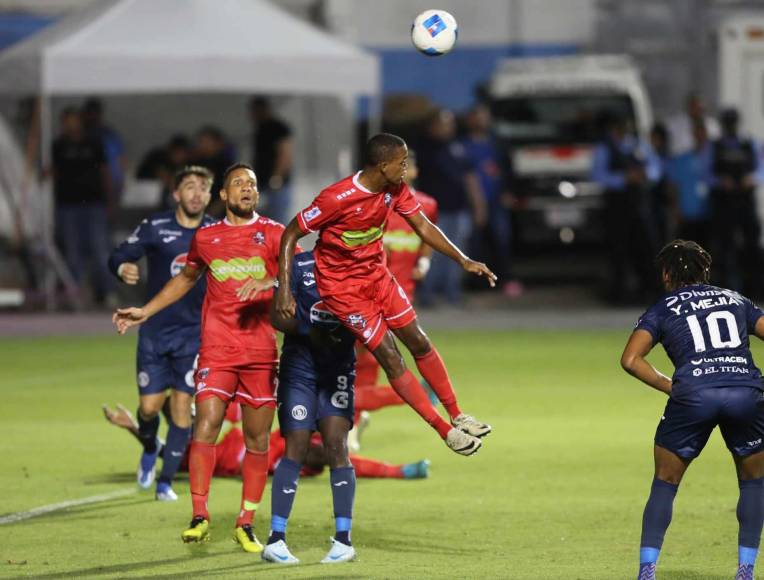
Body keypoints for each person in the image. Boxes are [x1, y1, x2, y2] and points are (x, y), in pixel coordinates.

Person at [276, 133, 494, 458]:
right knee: (391, 357)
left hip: (379, 278)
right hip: (345, 292)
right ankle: (445, 431)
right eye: (402, 162)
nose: (406, 169)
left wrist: (463, 259)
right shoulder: (336, 198)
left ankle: (457, 413)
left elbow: (423, 226)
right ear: (382, 164)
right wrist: (283, 288)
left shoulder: (395, 189)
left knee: (419, 340)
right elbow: (290, 234)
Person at [113, 163, 284, 554]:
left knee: (258, 438)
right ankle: (199, 515)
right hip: (216, 349)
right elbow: (186, 279)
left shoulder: (275, 234)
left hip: (259, 352)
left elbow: (302, 274)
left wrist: (272, 281)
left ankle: (246, 521)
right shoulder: (207, 237)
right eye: (238, 183)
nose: (246, 189)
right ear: (223, 195)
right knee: (205, 424)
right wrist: (146, 311)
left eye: (252, 184)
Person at [621, 240, 764, 580]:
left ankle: (647, 572)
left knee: (665, 483)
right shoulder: (735, 299)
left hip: (694, 394)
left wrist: (675, 386)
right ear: (706, 272)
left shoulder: (664, 306)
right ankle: (745, 571)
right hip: (745, 391)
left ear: (667, 273)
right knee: (754, 482)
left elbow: (630, 360)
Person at [107, 166, 214, 501]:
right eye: (190, 187)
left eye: (203, 188)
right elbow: (121, 253)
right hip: (155, 331)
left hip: (195, 334)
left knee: (182, 408)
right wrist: (121, 266)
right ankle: (151, 446)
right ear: (176, 194)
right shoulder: (156, 226)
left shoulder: (215, 231)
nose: (197, 193)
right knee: (150, 408)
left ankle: (165, 482)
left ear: (210, 196)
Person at [102, 403, 430, 482]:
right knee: (329, 455)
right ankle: (397, 470)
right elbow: (160, 451)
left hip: (278, 440)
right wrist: (132, 427)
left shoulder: (221, 431)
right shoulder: (195, 458)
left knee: (328, 440)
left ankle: (351, 433)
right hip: (284, 461)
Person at [353, 150, 439, 443]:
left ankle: (352, 418)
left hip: (401, 294)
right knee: (361, 355)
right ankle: (355, 417)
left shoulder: (426, 205)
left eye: (407, 165)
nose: (403, 170)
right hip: (367, 291)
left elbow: (428, 236)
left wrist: (424, 262)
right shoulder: (380, 203)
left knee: (374, 356)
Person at [416, 109, 487, 306]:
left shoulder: (458, 147)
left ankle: (452, 293)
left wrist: (478, 204)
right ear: (433, 126)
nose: (449, 128)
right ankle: (427, 295)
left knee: (459, 254)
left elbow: (470, 178)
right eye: (444, 124)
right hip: (434, 213)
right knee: (434, 254)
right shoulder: (424, 149)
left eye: (451, 124)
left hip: (459, 209)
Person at [591, 113, 661, 303]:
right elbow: (598, 176)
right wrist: (623, 179)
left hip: (640, 203)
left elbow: (656, 168)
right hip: (617, 205)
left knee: (646, 248)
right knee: (618, 250)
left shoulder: (639, 146)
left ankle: (649, 290)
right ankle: (618, 293)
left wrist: (646, 175)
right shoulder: (604, 149)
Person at [51, 107, 114, 306]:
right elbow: (52, 172)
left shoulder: (93, 144)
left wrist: (110, 200)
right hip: (68, 205)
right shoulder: (58, 146)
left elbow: (105, 172)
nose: (71, 125)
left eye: (74, 120)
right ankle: (74, 293)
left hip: (94, 203)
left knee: (100, 249)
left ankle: (106, 291)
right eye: (67, 121)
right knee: (72, 252)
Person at [461, 102, 522, 297]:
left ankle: (505, 280)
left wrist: (508, 191)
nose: (480, 120)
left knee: (502, 240)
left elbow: (509, 169)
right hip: (470, 204)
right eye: (476, 116)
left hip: (496, 202)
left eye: (484, 116)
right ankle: (476, 284)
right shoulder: (463, 145)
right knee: (473, 244)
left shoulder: (497, 143)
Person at [707, 108, 763, 296]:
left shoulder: (749, 143)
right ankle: (726, 290)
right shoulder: (715, 146)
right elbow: (706, 174)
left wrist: (751, 178)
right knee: (724, 248)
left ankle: (753, 290)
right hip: (724, 202)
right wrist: (721, 181)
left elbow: (760, 169)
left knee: (751, 246)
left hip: (745, 201)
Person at [249, 96, 294, 225]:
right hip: (262, 183)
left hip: (277, 184)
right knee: (263, 222)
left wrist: (277, 177)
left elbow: (284, 154)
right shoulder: (259, 129)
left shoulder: (277, 128)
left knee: (278, 220)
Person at [666, 120, 711, 247]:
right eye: (698, 133)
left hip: (709, 215)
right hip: (687, 216)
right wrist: (675, 209)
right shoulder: (682, 159)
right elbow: (673, 185)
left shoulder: (713, 158)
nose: (700, 137)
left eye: (703, 133)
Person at [666, 92, 720, 157]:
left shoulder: (713, 125)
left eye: (699, 107)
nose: (697, 110)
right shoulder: (674, 124)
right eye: (694, 106)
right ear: (689, 106)